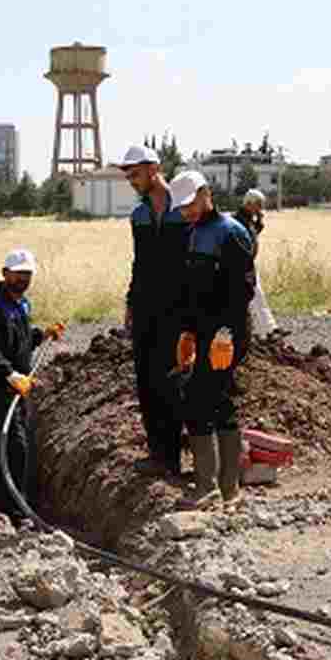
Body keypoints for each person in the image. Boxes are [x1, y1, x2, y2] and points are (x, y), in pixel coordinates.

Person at [167, 171, 256, 508]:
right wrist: (189, 331)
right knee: (216, 401)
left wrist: (224, 335)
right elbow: (194, 290)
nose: (186, 212)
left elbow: (242, 290)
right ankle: (224, 490)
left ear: (206, 194)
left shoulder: (231, 233)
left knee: (200, 397)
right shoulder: (195, 234)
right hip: (205, 331)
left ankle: (213, 488)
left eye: (190, 204)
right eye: (182, 208)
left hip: (227, 333)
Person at [0, 249, 64, 526]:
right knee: (10, 446)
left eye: (28, 274)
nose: (24, 278)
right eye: (19, 273)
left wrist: (42, 334)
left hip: (17, 387)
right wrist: (10, 374)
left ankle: (8, 504)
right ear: (5, 273)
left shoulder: (22, 304)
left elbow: (20, 341)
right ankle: (12, 509)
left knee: (11, 445)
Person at [118, 144, 190, 474]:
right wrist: (131, 303)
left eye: (136, 174)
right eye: (129, 175)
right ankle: (158, 454)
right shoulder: (139, 216)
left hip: (179, 306)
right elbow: (139, 263)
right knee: (146, 379)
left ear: (154, 168)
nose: (132, 180)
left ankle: (176, 456)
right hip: (147, 306)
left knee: (173, 378)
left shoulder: (184, 208)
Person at [234, 188, 287, 341]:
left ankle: (269, 329)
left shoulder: (247, 219)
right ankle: (266, 330)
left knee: (257, 297)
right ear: (250, 204)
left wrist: (259, 221)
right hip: (243, 266)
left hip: (248, 265)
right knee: (255, 297)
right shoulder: (239, 220)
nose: (261, 208)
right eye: (259, 205)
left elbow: (253, 233)